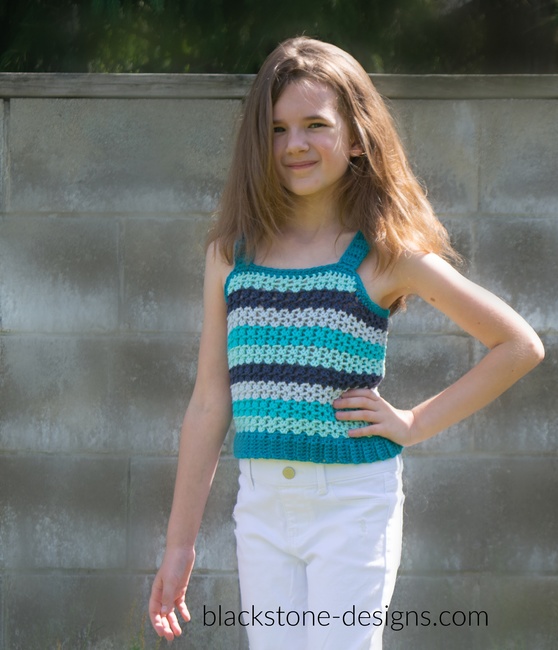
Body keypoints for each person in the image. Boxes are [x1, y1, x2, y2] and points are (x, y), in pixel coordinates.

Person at [148, 36, 544, 649]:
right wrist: (179, 545)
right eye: (277, 129)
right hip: (260, 508)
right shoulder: (230, 256)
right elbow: (208, 402)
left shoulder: (385, 256)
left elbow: (518, 344)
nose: (294, 144)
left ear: (357, 136)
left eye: (315, 125)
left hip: (353, 507)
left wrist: (413, 422)